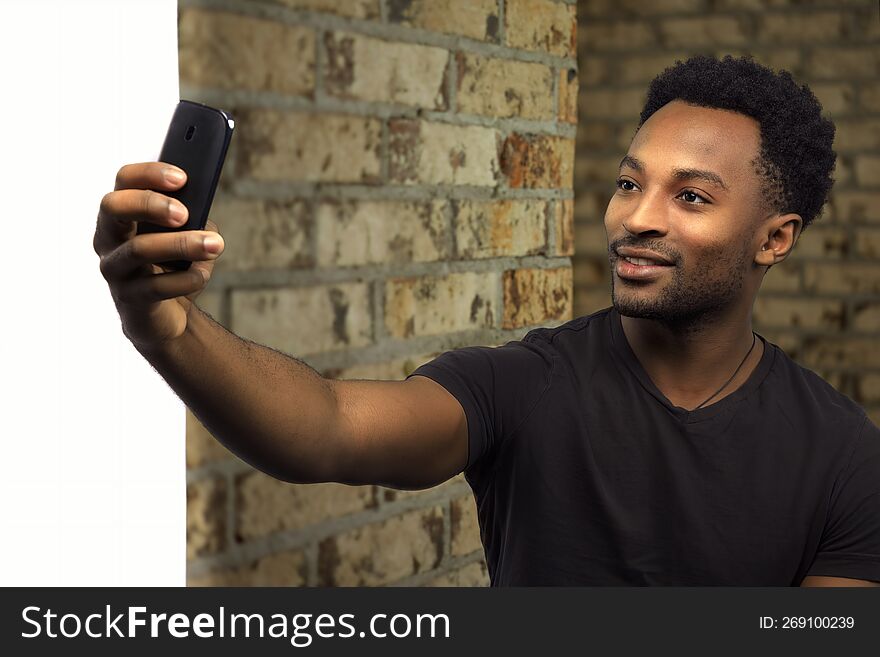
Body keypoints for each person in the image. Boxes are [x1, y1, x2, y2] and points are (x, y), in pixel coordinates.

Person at [93, 55, 880, 586]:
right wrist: (169, 329)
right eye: (628, 183)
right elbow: (326, 425)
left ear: (774, 238)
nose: (634, 219)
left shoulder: (844, 456)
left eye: (692, 197)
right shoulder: (529, 384)